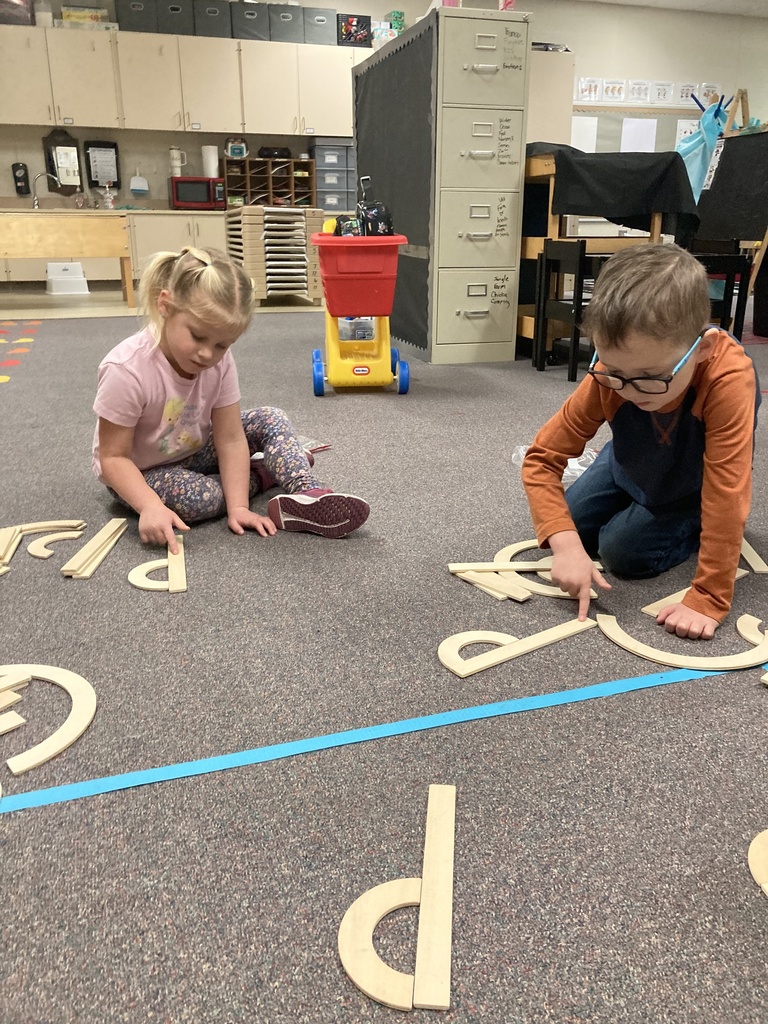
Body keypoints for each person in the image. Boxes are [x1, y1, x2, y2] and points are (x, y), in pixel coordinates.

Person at [521, 243, 760, 641]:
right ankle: (628, 489)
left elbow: (727, 492)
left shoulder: (728, 379)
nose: (629, 389)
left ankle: (688, 521)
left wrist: (707, 597)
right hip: (631, 458)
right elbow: (542, 458)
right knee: (570, 528)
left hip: (693, 480)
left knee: (622, 553)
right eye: (614, 372)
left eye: (651, 376)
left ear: (699, 350)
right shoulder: (614, 371)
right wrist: (565, 546)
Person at [92, 246, 369, 551]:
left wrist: (238, 508)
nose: (208, 354)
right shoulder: (126, 369)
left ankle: (306, 491)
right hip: (143, 472)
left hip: (194, 449)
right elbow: (113, 459)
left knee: (270, 417)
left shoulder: (219, 361)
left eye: (222, 345)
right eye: (198, 337)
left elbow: (231, 437)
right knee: (202, 499)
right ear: (165, 305)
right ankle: (265, 472)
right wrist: (148, 506)